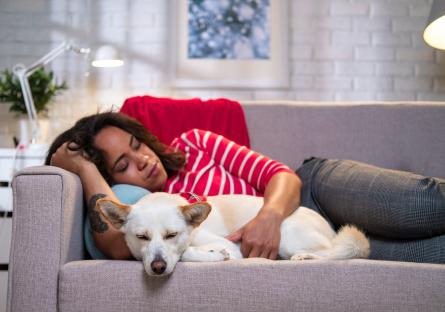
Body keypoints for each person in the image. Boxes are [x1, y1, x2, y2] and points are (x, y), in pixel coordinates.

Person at [47, 112, 302, 260]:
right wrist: (86, 168)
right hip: (296, 245)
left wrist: (269, 218)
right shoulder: (149, 216)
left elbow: (282, 175)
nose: (143, 160)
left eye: (137, 145)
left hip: (303, 196)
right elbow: (116, 244)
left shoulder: (194, 144)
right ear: (111, 182)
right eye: (124, 166)